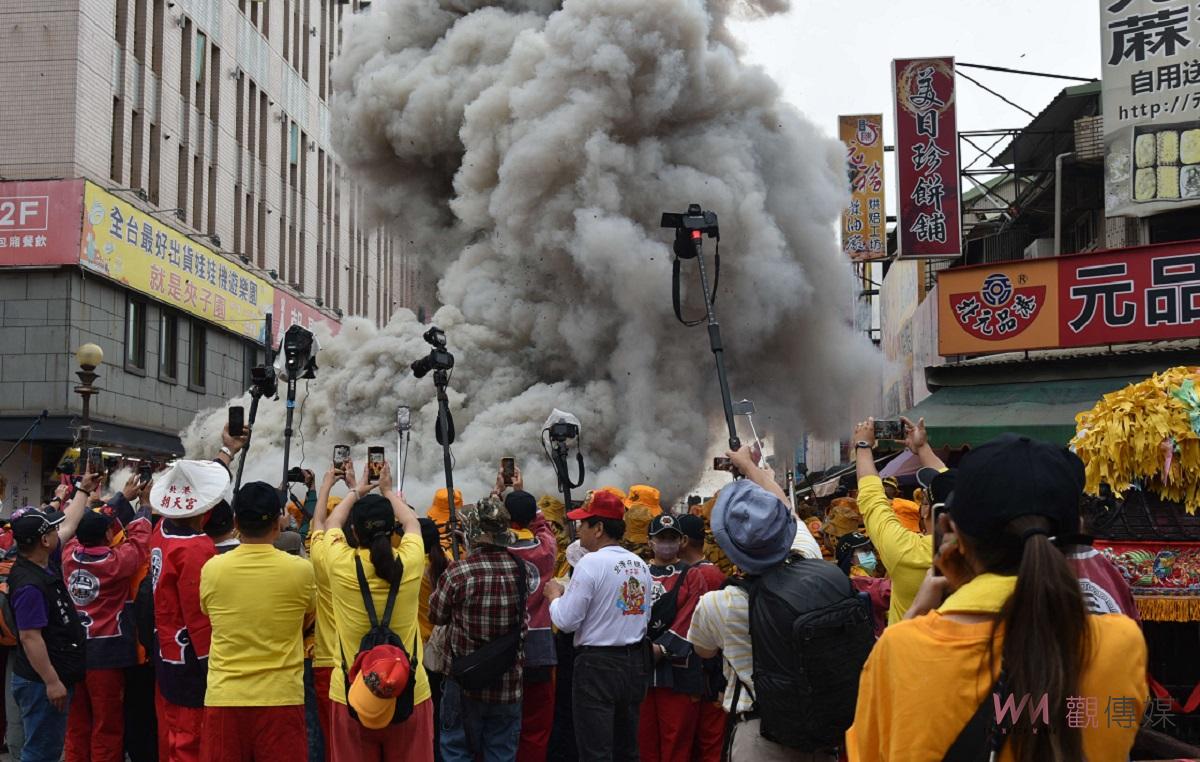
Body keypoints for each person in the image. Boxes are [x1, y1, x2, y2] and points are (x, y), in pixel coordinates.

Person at [847, 434, 1148, 761]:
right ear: (1076, 529)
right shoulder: (1119, 643)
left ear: (949, 530)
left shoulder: (900, 651)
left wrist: (912, 617)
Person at [689, 448, 832, 762]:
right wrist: (751, 468)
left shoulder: (720, 604)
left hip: (759, 733)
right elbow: (786, 509)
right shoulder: (810, 560)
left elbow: (703, 651)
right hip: (819, 727)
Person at [309, 461, 432, 762]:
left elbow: (330, 523)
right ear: (393, 530)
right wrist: (388, 492)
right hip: (410, 692)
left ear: (353, 531)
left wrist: (355, 491)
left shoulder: (339, 563)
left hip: (350, 693)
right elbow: (413, 523)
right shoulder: (411, 561)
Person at [199, 481, 316, 762]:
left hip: (225, 695)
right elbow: (308, 616)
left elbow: (208, 613)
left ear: (236, 523)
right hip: (282, 697)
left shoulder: (212, 569)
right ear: (278, 523)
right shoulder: (301, 570)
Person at [151, 427, 245, 762]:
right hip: (190, 661)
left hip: (165, 651)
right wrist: (214, 670)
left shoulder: (160, 529)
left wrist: (227, 451)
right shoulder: (195, 549)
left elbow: (197, 487)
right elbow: (200, 618)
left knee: (169, 736)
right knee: (190, 743)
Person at [544, 490, 651, 762]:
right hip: (634, 663)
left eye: (583, 523)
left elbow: (566, 621)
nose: (579, 529)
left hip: (597, 666)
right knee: (627, 749)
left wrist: (554, 597)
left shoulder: (590, 563)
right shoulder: (640, 565)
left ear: (599, 528)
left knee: (595, 751)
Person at [429, 496, 527, 762]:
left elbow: (436, 615)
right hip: (508, 681)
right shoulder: (521, 569)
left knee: (456, 750)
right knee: (501, 752)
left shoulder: (458, 573)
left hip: (464, 680)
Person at [62, 496, 153, 762]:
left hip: (72, 652)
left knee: (76, 724)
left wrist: (116, 498)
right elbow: (139, 542)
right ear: (107, 535)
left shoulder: (68, 555)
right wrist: (144, 506)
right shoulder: (115, 562)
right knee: (107, 725)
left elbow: (75, 530)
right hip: (106, 655)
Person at [9, 506, 86, 762]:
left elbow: (69, 525)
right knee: (41, 752)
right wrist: (52, 681)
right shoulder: (30, 585)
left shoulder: (41, 562)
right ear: (44, 540)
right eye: (52, 529)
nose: (58, 532)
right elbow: (30, 637)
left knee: (45, 748)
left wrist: (83, 491)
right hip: (40, 683)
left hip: (44, 679)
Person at [852, 417, 943, 623]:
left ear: (925, 510)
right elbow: (951, 484)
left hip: (911, 643)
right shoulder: (985, 545)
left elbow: (873, 500)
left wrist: (863, 445)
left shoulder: (908, 552)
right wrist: (922, 448)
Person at [639, 514, 710, 762]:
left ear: (681, 541)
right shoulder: (639, 572)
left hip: (678, 669)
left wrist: (662, 648)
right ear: (650, 541)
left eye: (672, 538)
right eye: (661, 538)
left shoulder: (692, 575)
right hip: (642, 668)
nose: (666, 543)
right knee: (643, 740)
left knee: (677, 741)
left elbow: (693, 616)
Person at [503, 490, 558, 762]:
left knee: (501, 726)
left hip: (503, 649)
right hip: (540, 650)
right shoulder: (547, 550)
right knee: (536, 727)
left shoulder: (498, 552)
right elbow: (544, 526)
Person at [675, 515, 725, 762]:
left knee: (707, 744)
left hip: (706, 677)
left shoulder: (706, 575)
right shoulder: (706, 572)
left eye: (671, 537)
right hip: (698, 675)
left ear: (683, 541)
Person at [834, 533, 890, 638]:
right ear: (850, 558)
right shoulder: (858, 581)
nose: (871, 554)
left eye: (870, 550)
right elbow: (888, 592)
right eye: (865, 551)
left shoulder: (859, 576)